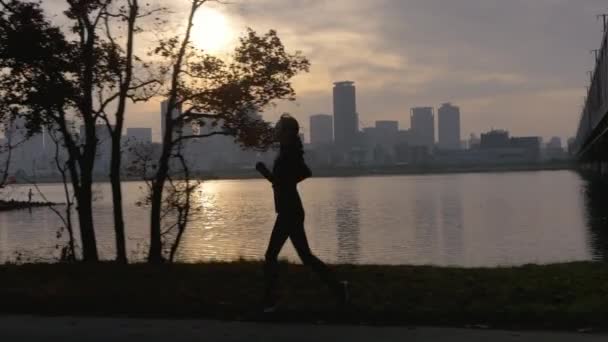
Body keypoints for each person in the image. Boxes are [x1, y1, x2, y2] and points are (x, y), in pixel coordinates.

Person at [256, 114, 348, 313]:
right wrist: (282, 180)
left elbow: (293, 177)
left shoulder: (289, 153)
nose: (277, 129)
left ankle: (269, 301)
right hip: (290, 210)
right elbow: (297, 176)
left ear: (288, 132)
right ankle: (338, 288)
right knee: (305, 256)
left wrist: (269, 174)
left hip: (289, 211)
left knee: (271, 255)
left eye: (280, 127)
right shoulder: (288, 151)